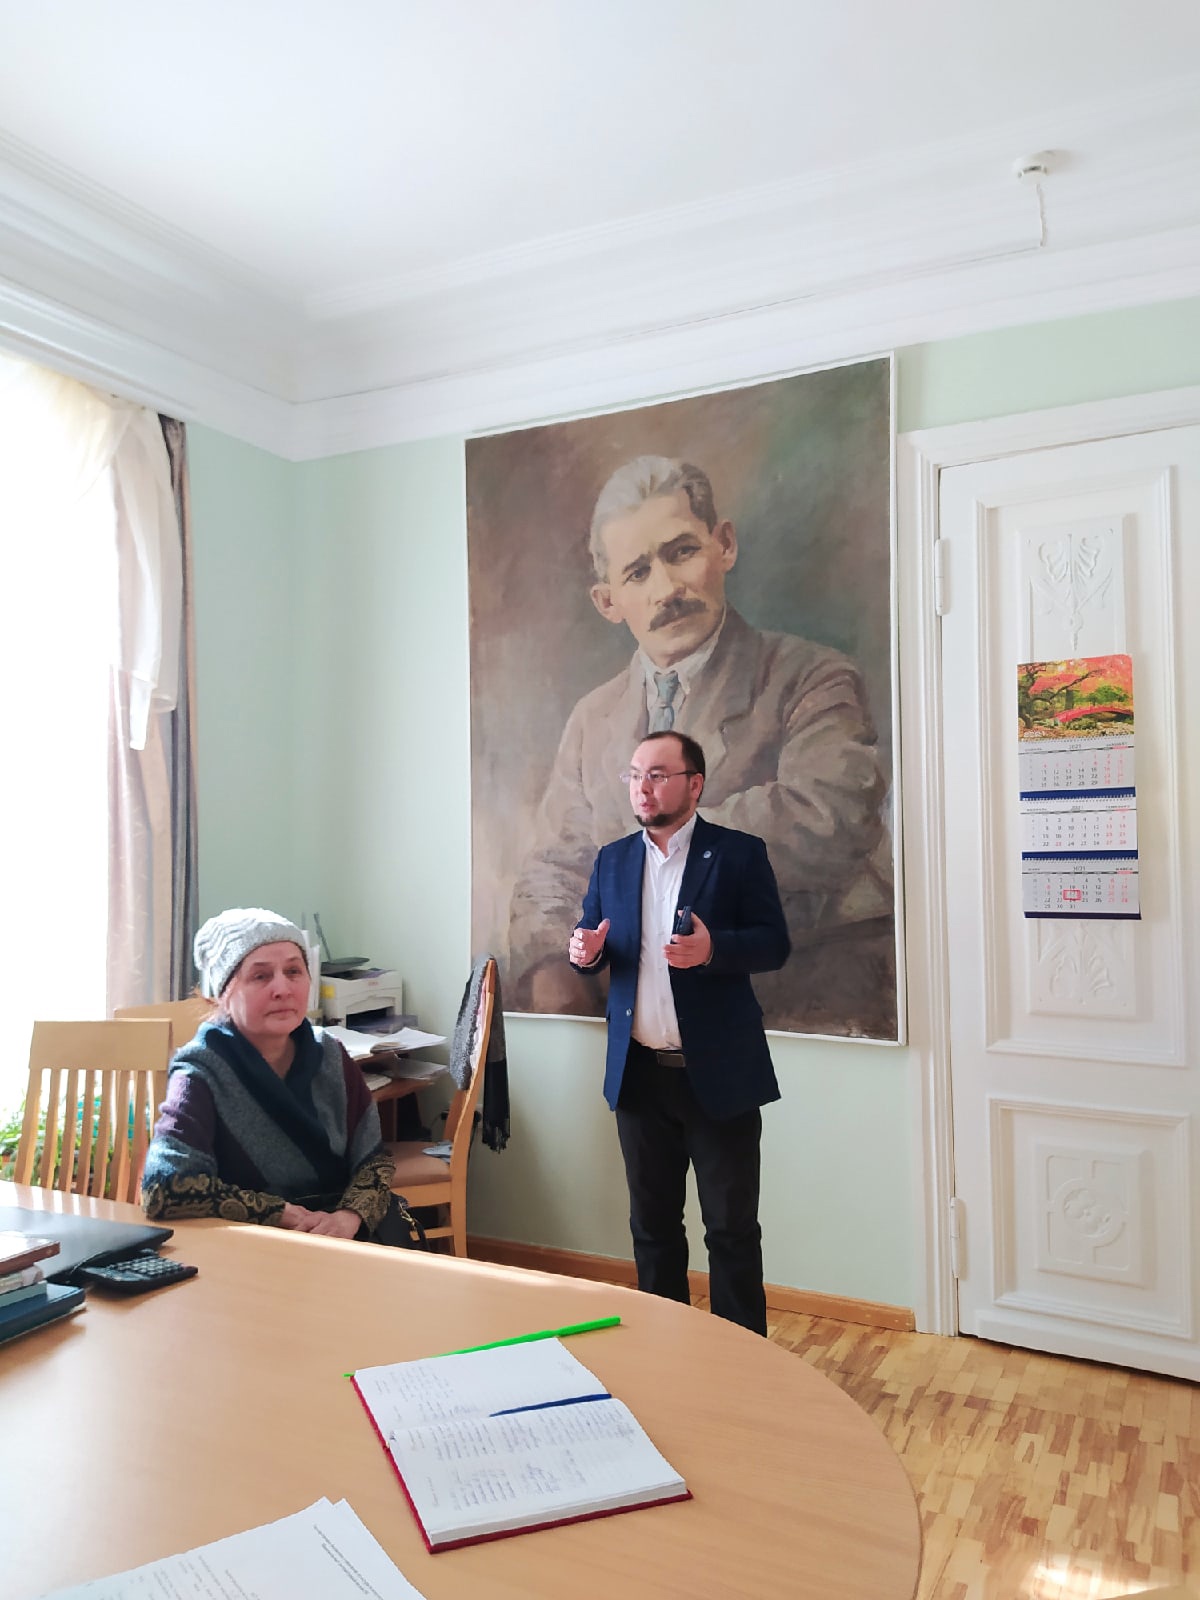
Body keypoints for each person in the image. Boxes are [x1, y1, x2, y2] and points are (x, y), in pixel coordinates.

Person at [508, 454, 895, 1037]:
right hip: (640, 1018)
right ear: (608, 602)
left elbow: (827, 818)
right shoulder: (592, 720)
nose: (667, 588)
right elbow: (552, 869)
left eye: (682, 551)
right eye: (638, 573)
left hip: (798, 1001)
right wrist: (553, 969)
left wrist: (642, 858)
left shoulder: (813, 679)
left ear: (725, 546)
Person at [569, 730, 789, 1336]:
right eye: (635, 774)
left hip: (718, 1075)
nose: (643, 787)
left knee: (731, 1230)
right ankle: (665, 1351)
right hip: (639, 1075)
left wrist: (714, 949)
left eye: (658, 775)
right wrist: (585, 952)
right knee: (653, 1228)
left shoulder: (738, 853)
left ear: (695, 784)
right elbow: (594, 937)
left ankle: (740, 1358)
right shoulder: (613, 859)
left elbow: (774, 944)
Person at [142, 907, 403, 1242]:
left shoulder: (330, 1055)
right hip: (251, 1245)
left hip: (343, 1236)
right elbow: (163, 1189)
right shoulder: (201, 1071)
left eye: (293, 971)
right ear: (223, 993)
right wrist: (278, 1213)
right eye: (261, 976)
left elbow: (374, 1162)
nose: (282, 988)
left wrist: (348, 1217)